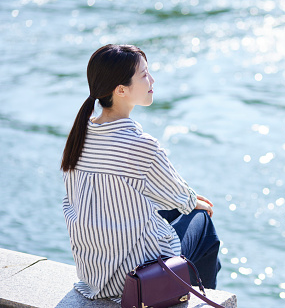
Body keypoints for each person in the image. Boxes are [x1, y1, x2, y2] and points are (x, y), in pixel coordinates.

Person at [60, 44, 221, 303]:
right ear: (121, 90)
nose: (152, 80)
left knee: (163, 206)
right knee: (203, 221)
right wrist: (196, 203)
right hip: (136, 276)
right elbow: (182, 199)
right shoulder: (142, 146)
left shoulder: (80, 136)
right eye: (144, 74)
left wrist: (184, 200)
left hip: (94, 274)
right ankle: (194, 296)